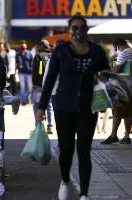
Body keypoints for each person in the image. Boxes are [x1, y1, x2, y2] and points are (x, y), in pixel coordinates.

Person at [37, 15, 110, 200]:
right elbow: (50, 79)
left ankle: (84, 193)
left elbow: (106, 73)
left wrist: (103, 78)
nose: (78, 31)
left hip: (87, 107)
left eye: (82, 27)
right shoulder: (61, 51)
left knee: (84, 151)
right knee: (66, 150)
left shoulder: (97, 51)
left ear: (86, 29)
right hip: (64, 107)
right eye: (74, 27)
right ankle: (65, 180)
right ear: (69, 30)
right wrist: (42, 107)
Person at [101, 38, 132, 144]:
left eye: (116, 48)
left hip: (121, 88)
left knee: (116, 113)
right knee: (128, 113)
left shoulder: (123, 53)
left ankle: (113, 135)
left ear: (119, 46)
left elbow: (116, 70)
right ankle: (127, 136)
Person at [31, 40, 53, 134]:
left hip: (39, 85)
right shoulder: (52, 56)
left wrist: (34, 84)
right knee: (49, 106)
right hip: (50, 85)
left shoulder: (38, 56)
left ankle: (38, 126)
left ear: (41, 46)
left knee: (36, 105)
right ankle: (50, 126)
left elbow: (35, 72)